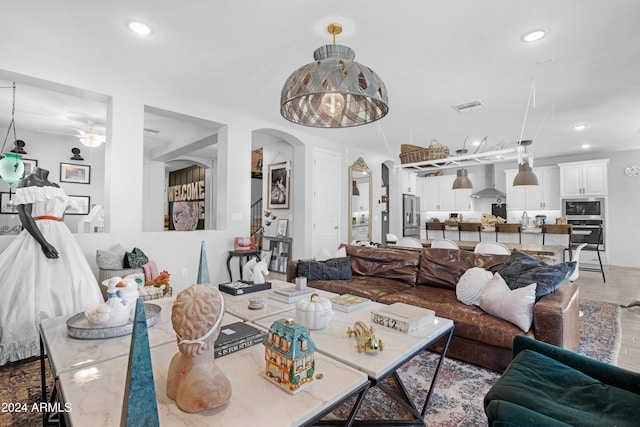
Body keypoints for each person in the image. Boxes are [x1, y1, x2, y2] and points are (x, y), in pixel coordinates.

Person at [0, 167, 103, 365]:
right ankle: (35, 340)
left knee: (74, 282)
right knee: (36, 285)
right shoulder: (28, 181)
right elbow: (24, 215)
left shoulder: (56, 186)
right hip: (40, 235)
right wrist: (44, 243)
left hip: (62, 235)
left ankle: (73, 330)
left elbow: (59, 216)